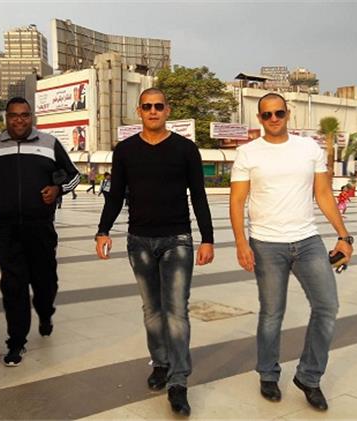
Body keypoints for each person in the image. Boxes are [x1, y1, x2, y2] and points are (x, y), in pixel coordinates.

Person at [229, 93, 353, 412]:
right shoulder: (247, 153)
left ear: (288, 114)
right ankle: (268, 374)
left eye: (279, 113)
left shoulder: (309, 148)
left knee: (327, 306)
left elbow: (323, 194)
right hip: (266, 243)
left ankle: (309, 377)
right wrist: (241, 242)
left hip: (307, 240)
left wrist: (344, 236)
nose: (273, 119)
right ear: (259, 118)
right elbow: (237, 200)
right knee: (272, 312)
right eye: (266, 114)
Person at [95, 88, 214, 417]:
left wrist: (207, 238)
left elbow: (199, 196)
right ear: (139, 111)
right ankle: (160, 363)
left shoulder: (185, 149)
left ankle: (178, 381)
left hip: (177, 240)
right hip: (140, 242)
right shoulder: (125, 150)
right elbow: (115, 195)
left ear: (167, 110)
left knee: (176, 312)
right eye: (147, 106)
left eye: (158, 106)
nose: (152, 111)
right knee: (152, 310)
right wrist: (103, 230)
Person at [0, 97, 80, 367]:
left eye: (24, 115)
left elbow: (74, 176)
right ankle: (16, 341)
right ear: (6, 118)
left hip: (40, 228)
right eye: (14, 115)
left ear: (31, 117)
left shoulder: (49, 143)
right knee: (12, 286)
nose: (19, 120)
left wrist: (58, 190)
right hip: (5, 231)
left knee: (46, 283)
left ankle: (45, 313)